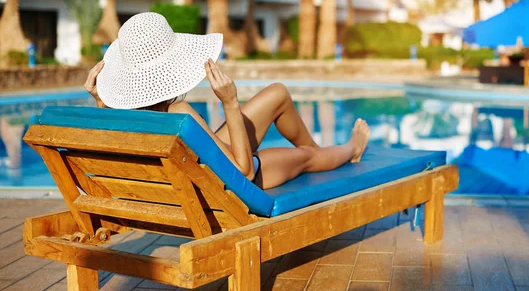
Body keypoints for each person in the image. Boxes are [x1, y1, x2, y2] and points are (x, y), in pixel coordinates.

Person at [85, 12, 370, 190]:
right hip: (226, 184)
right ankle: (350, 150)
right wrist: (230, 102)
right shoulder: (179, 113)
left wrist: (100, 100)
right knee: (306, 159)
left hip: (202, 170)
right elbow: (243, 173)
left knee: (277, 93)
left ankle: (316, 150)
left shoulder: (113, 116)